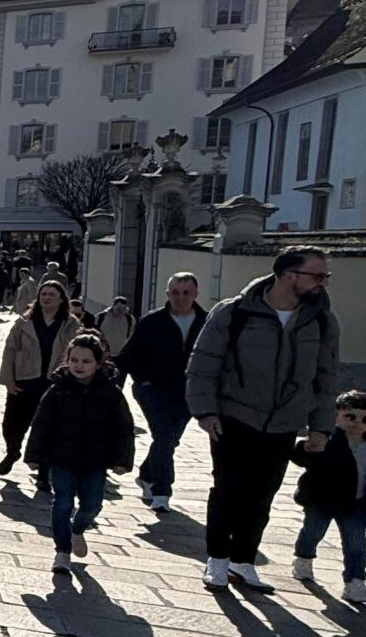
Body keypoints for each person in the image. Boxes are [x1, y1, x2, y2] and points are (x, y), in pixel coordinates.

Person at [187, 245, 341, 592]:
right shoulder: (235, 311)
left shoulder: (321, 319)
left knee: (263, 493)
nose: (324, 283)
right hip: (234, 415)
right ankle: (218, 559)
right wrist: (205, 411)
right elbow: (203, 362)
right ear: (289, 275)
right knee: (228, 488)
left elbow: (325, 377)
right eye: (318, 275)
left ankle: (244, 560)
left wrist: (321, 427)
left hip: (284, 421)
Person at [24, 330, 137, 574]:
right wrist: (33, 455)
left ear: (99, 364)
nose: (79, 366)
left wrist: (122, 460)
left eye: (86, 361)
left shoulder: (111, 393)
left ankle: (77, 529)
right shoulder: (57, 389)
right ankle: (62, 551)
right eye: (74, 360)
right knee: (62, 501)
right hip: (62, 457)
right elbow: (41, 423)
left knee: (92, 505)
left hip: (95, 461)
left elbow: (123, 428)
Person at [117, 274, 206, 512]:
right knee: (165, 436)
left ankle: (147, 473)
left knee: (169, 440)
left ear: (196, 294)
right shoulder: (152, 321)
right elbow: (128, 355)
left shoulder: (207, 323)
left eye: (186, 292)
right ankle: (161, 492)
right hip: (152, 390)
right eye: (175, 292)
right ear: (167, 294)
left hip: (188, 392)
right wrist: (142, 380)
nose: (181, 298)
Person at [289, 390, 366, 603]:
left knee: (356, 544)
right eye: (350, 416)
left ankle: (355, 581)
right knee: (312, 532)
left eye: (364, 418)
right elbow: (302, 457)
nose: (357, 423)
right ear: (336, 416)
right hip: (321, 500)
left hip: (355, 504)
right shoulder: (328, 439)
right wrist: (304, 447)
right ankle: (303, 557)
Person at [0, 278, 75, 473]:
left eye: (52, 295)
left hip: (52, 382)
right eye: (43, 294)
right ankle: (12, 451)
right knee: (11, 424)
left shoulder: (70, 325)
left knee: (48, 426)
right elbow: (10, 350)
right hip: (24, 379)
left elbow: (74, 352)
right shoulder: (24, 322)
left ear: (61, 300)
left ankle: (43, 470)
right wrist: (8, 380)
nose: (47, 298)